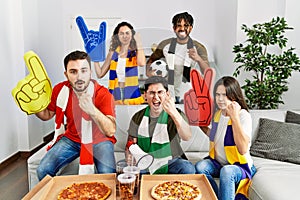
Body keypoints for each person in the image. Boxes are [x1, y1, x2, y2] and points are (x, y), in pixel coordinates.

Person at [36, 50, 117, 180]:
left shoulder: (103, 94)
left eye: (84, 70)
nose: (79, 76)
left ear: (90, 72)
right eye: (73, 72)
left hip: (100, 140)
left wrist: (92, 110)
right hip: (71, 139)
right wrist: (33, 105)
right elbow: (47, 115)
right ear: (66, 74)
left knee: (108, 176)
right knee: (43, 170)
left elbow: (111, 131)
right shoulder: (60, 90)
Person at [193, 76, 256, 200]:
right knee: (200, 167)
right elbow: (216, 137)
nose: (220, 99)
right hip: (218, 163)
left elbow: (243, 149)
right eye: (218, 95)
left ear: (234, 95)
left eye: (225, 95)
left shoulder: (243, 116)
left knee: (227, 171)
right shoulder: (218, 114)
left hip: (239, 166)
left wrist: (234, 117)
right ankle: (215, 197)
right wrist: (200, 123)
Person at [125, 76, 195, 174]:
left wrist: (173, 113)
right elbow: (130, 144)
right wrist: (129, 156)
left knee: (187, 168)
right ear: (145, 95)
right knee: (125, 170)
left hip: (171, 161)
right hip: (145, 163)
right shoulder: (137, 117)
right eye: (151, 93)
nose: (156, 97)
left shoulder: (176, 114)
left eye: (160, 92)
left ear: (167, 94)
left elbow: (187, 136)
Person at [146, 11, 210, 103]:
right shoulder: (165, 44)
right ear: (174, 28)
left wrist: (198, 58)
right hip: (167, 92)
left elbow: (207, 71)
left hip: (190, 93)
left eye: (186, 25)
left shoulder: (199, 47)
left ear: (191, 28)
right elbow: (151, 61)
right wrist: (149, 73)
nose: (182, 28)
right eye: (179, 25)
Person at [94, 21, 146, 105]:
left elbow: (142, 63)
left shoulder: (135, 52)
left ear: (132, 35)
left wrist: (139, 43)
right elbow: (100, 74)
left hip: (131, 92)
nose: (124, 36)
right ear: (117, 36)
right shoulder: (112, 53)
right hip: (115, 93)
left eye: (127, 33)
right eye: (121, 33)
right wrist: (95, 58)